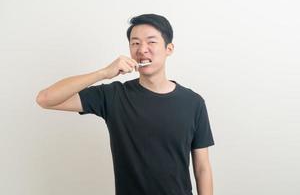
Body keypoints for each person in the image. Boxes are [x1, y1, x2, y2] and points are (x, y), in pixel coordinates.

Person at [36, 13, 215, 195]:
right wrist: (104, 72)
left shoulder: (193, 103)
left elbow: (202, 168)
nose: (142, 49)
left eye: (151, 42)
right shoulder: (114, 95)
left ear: (169, 48)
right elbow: (46, 99)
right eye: (135, 43)